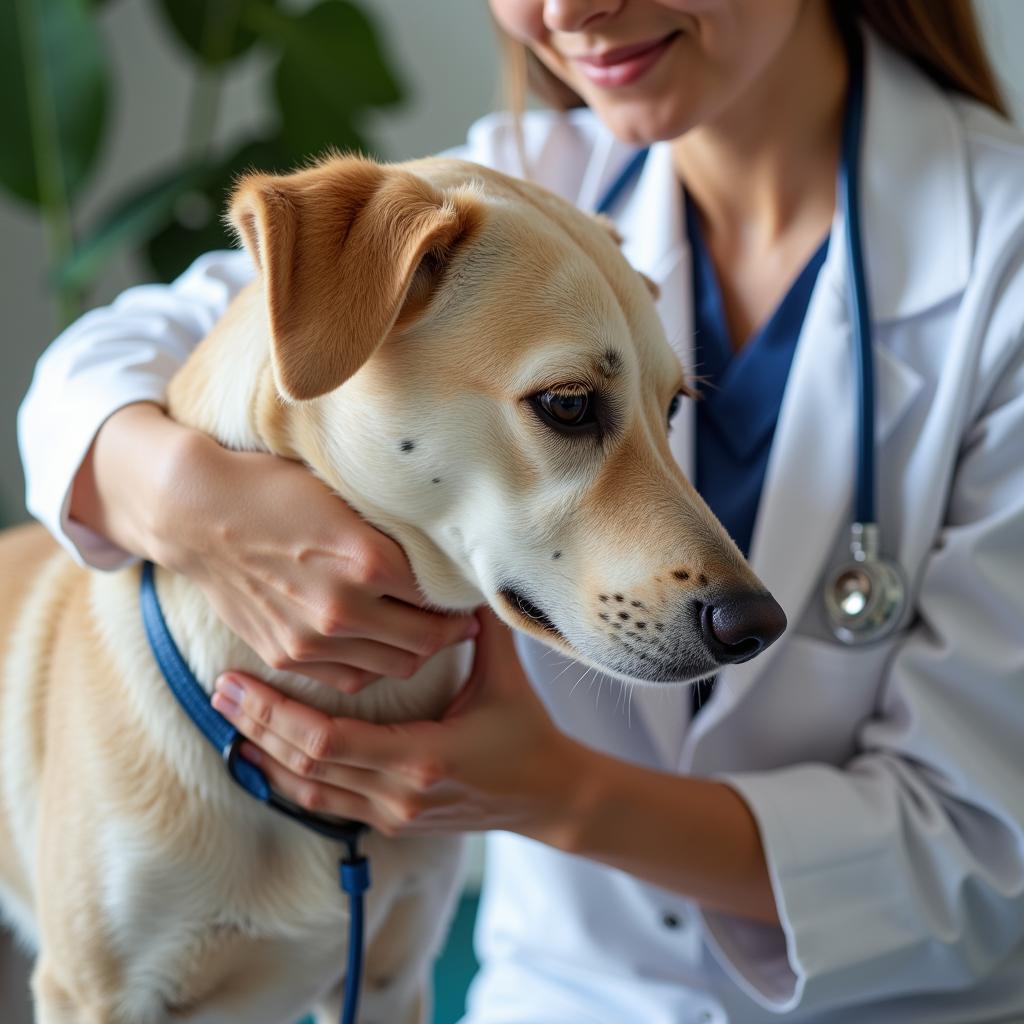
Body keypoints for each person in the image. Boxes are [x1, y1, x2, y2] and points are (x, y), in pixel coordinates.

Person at [17, 1, 1024, 1021]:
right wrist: (186, 498)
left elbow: (986, 862)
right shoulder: (516, 196)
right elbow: (114, 359)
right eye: (567, 408)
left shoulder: (1001, 260)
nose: (565, 8)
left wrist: (555, 791)